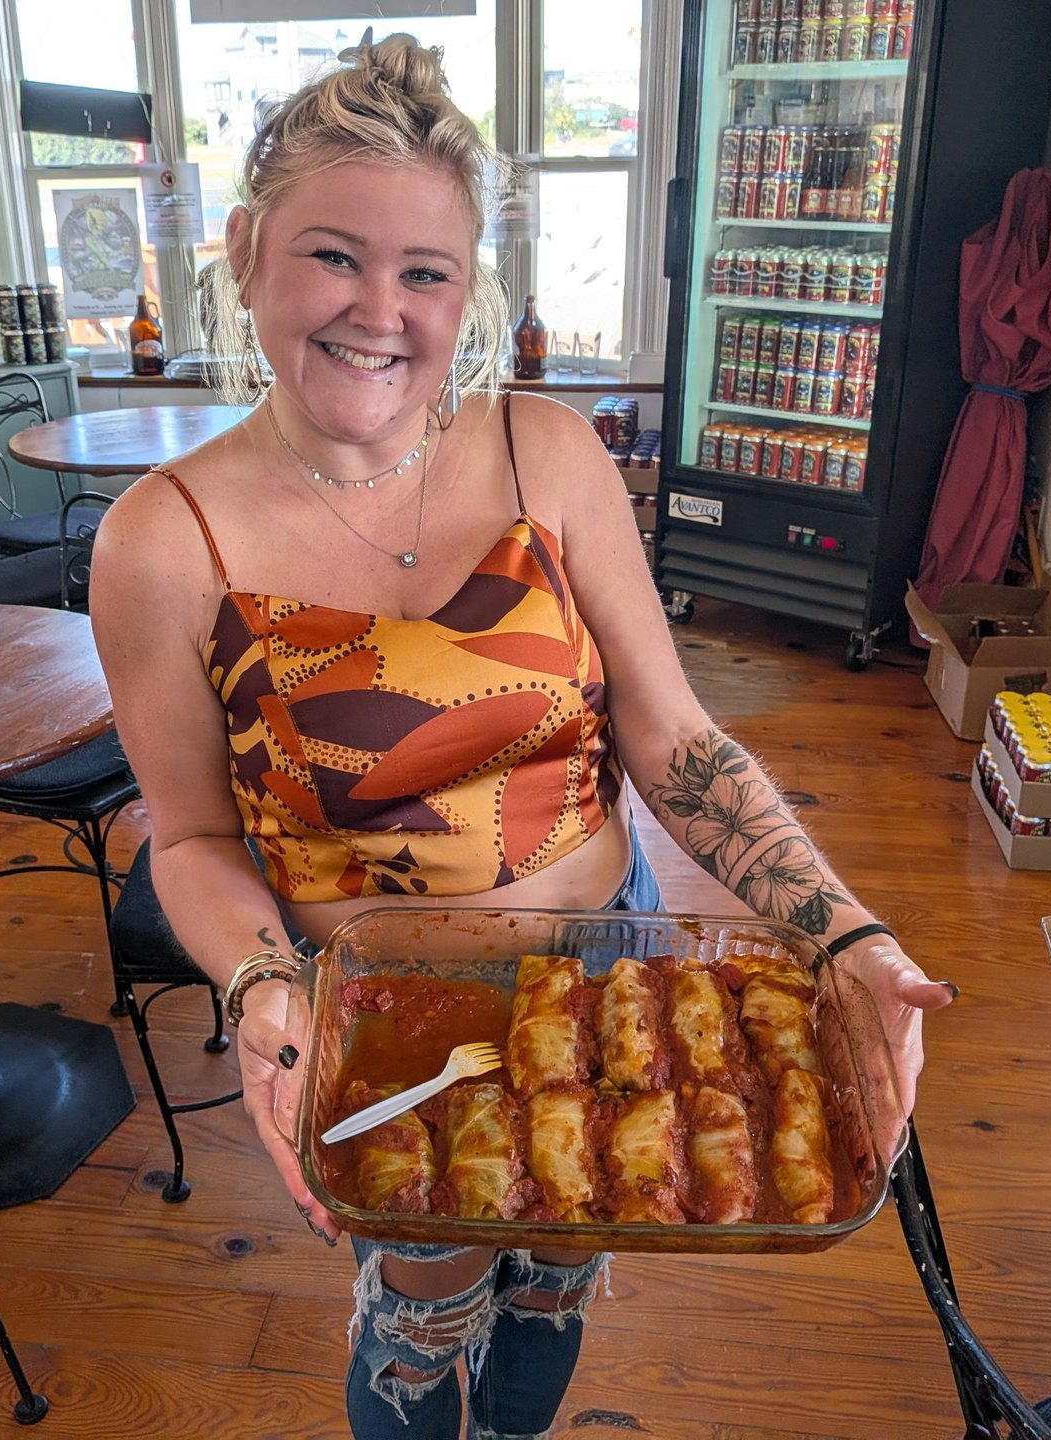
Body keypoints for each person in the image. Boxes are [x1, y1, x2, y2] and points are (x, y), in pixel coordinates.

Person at [88, 32, 953, 1440]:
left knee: (562, 1267)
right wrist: (261, 998)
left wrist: (848, 930)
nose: (380, 309)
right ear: (245, 250)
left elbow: (674, 739)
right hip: (385, 1013)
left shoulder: (547, 451)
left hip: (607, 954)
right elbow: (186, 837)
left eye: (425, 272)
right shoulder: (162, 538)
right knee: (424, 1308)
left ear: (465, 288)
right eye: (332, 256)